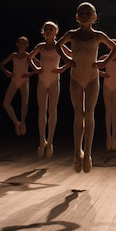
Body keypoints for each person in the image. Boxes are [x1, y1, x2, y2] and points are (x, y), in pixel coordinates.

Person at [56, 2, 116, 173]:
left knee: (89, 114)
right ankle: (77, 154)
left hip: (92, 78)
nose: (84, 15)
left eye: (88, 13)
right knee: (78, 114)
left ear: (94, 17)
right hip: (76, 78)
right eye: (81, 13)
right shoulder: (72, 34)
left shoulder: (98, 35)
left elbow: (114, 48)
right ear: (77, 16)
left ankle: (88, 154)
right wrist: (67, 59)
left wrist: (104, 62)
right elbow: (57, 45)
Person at [28, 22, 68, 158]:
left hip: (54, 81)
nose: (48, 30)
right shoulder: (40, 46)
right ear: (43, 32)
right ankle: (41, 141)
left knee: (52, 110)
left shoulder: (59, 46)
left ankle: (50, 142)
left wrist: (62, 68)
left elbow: (71, 57)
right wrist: (36, 69)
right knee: (41, 111)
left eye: (51, 29)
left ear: (56, 31)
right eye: (46, 29)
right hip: (42, 81)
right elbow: (29, 58)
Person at [0, 36, 38, 137]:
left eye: (24, 43)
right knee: (6, 103)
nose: (21, 45)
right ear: (17, 44)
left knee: (24, 104)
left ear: (27, 45)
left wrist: (29, 74)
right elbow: (1, 64)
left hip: (24, 81)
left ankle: (23, 122)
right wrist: (7, 71)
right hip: (14, 80)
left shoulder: (28, 56)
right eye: (20, 43)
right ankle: (16, 122)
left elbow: (37, 68)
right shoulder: (13, 55)